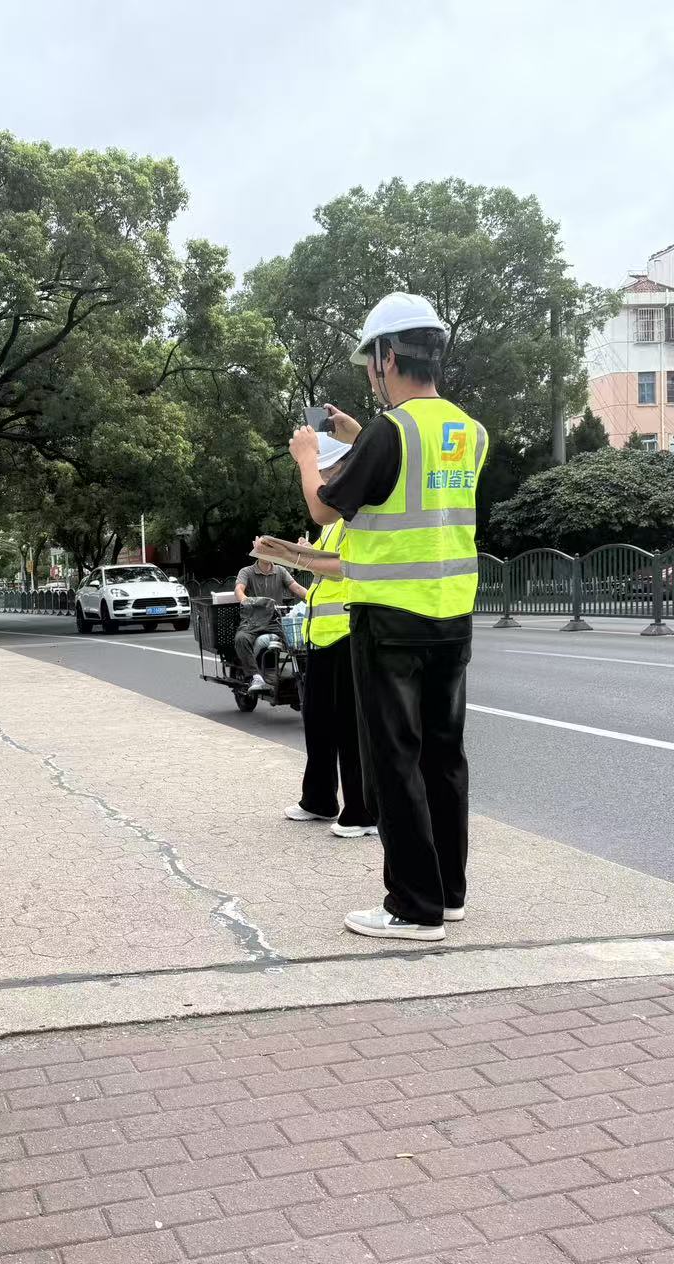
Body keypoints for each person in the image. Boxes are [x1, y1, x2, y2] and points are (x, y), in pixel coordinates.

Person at [288, 292, 488, 943]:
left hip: (388, 620)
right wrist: (356, 436)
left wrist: (305, 458)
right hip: (450, 616)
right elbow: (411, 473)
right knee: (443, 756)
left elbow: (324, 508)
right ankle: (448, 893)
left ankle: (411, 905)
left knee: (393, 760)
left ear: (387, 355)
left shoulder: (389, 432)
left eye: (372, 360)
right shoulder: (468, 431)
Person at [270, 432, 377, 840]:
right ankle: (318, 800)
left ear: (338, 469)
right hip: (322, 634)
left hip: (348, 631)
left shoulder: (356, 511)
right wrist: (299, 552)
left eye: (324, 471)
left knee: (351, 729)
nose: (323, 481)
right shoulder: (336, 519)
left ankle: (362, 813)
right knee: (317, 722)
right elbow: (324, 561)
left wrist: (292, 557)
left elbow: (347, 566)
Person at [233, 555, 306, 693]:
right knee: (241, 639)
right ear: (257, 553)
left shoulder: (280, 571)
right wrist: (245, 599)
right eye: (263, 550)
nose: (266, 554)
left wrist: (314, 597)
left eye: (270, 550)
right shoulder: (246, 572)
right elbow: (239, 589)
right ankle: (255, 676)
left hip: (274, 620)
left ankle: (304, 672)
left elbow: (296, 588)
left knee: (296, 638)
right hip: (252, 620)